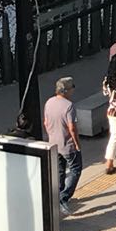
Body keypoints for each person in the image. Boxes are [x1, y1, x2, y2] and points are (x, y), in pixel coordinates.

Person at [43, 76, 81, 217]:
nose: (73, 90)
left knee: (59, 170)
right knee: (75, 169)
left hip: (54, 142)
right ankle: (63, 197)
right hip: (67, 145)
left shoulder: (49, 102)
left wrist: (51, 135)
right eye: (72, 87)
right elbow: (72, 128)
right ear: (66, 90)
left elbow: (46, 122)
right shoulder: (68, 106)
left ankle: (56, 195)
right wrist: (77, 144)